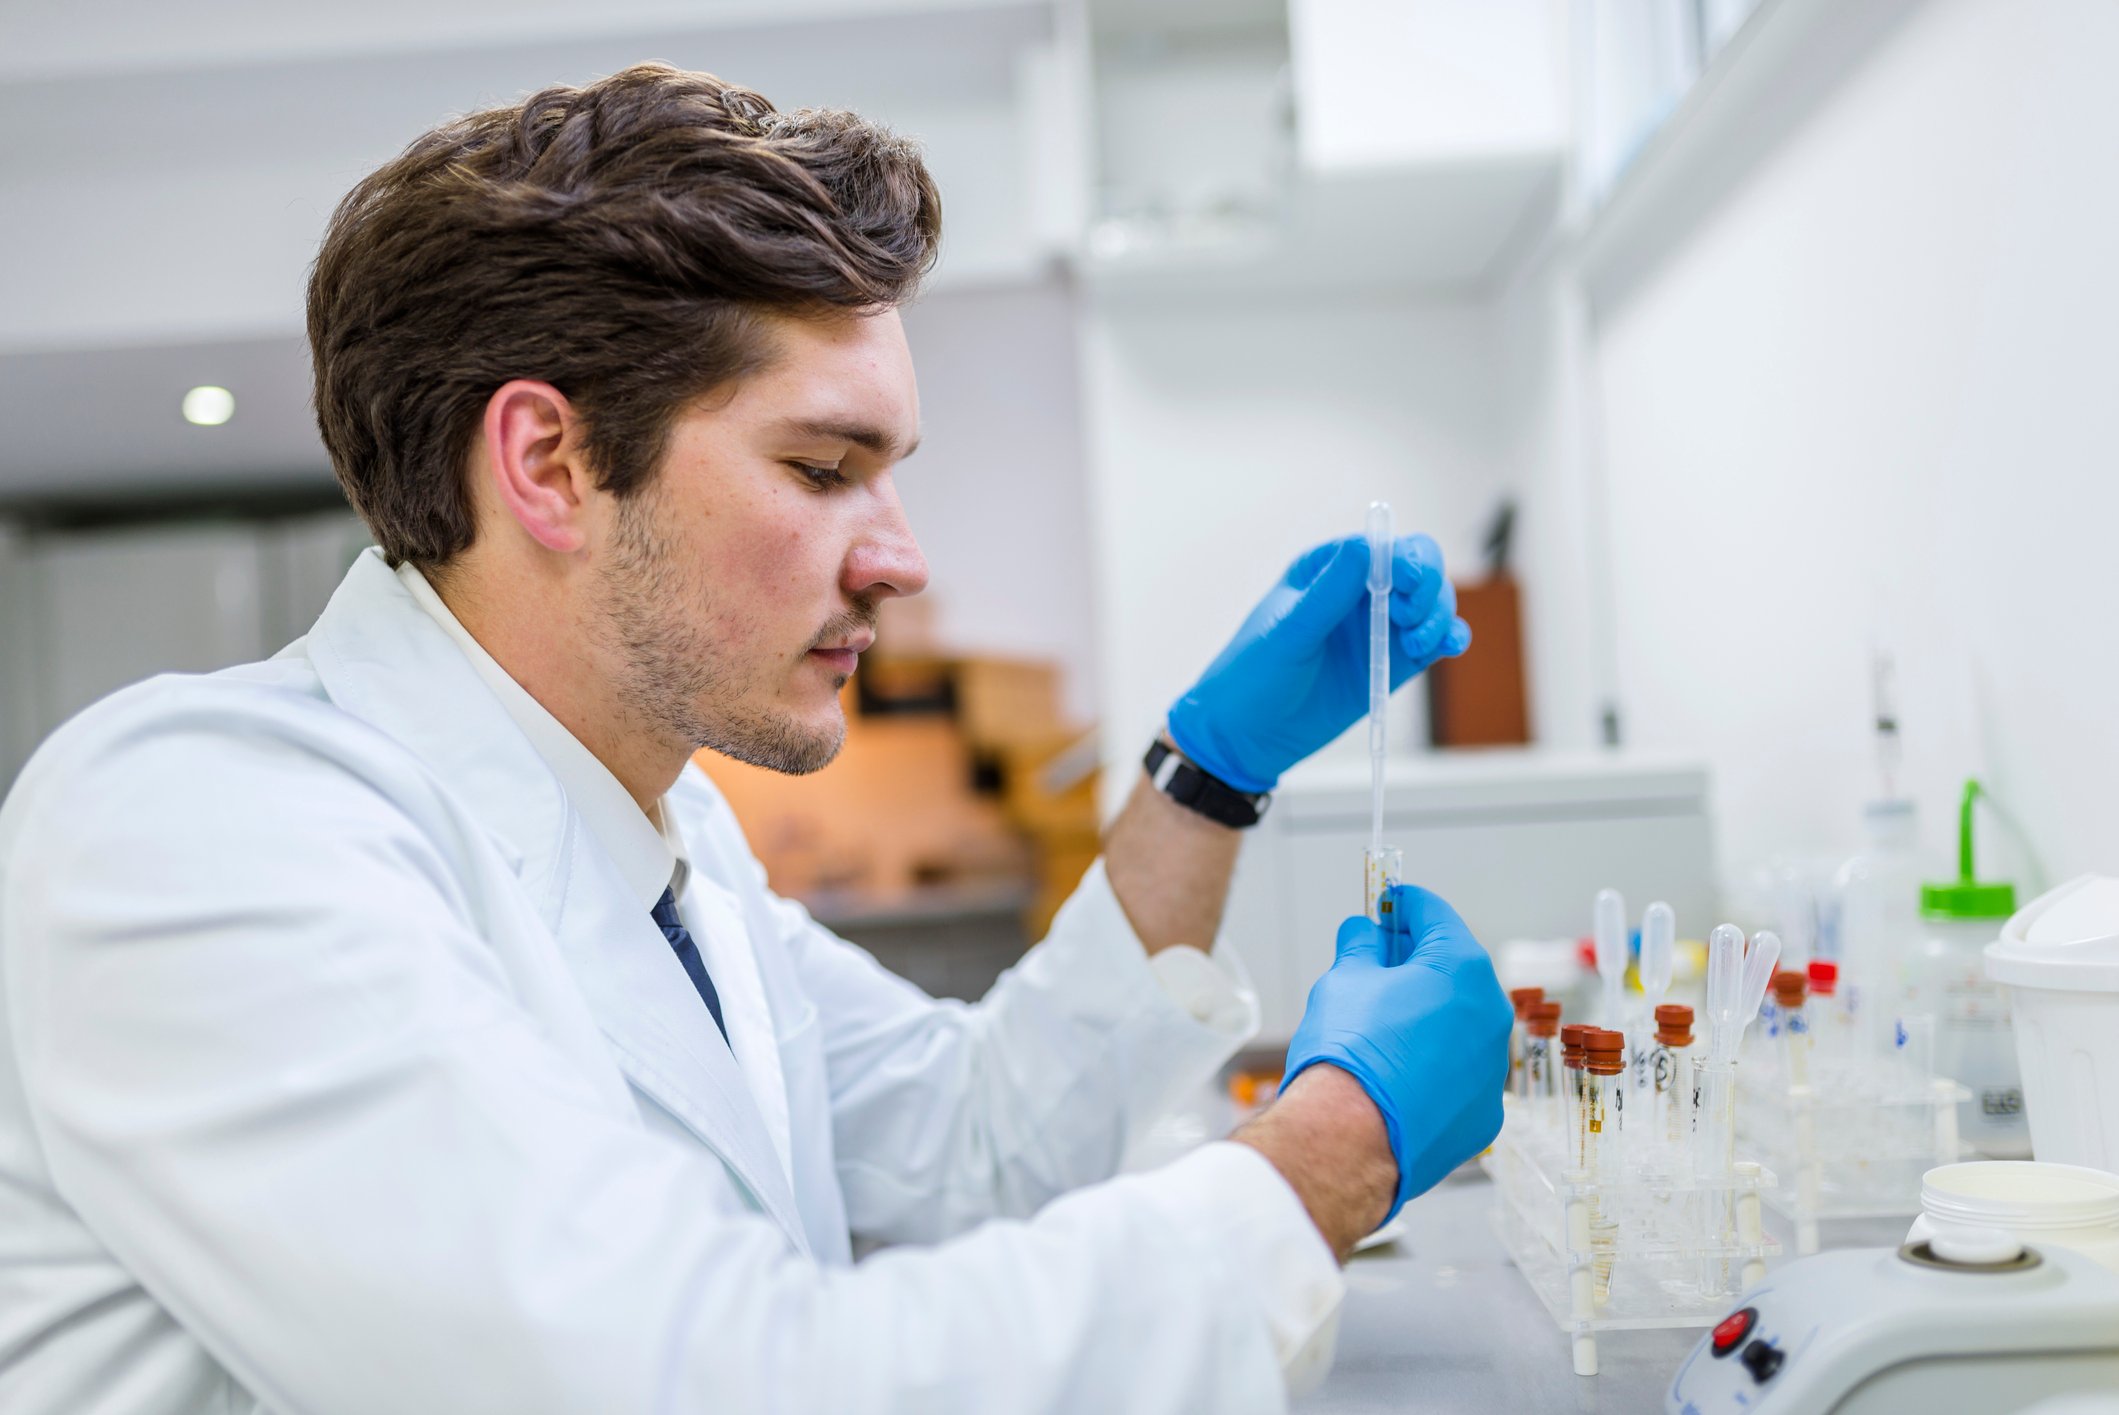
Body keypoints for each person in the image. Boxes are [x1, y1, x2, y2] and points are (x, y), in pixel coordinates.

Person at [0, 64, 1509, 1414]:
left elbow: (976, 1146)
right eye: (823, 465)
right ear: (552, 462)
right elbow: (699, 1380)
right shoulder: (195, 829)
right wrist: (1325, 1159)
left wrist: (1208, 773)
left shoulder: (662, 844)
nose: (901, 559)